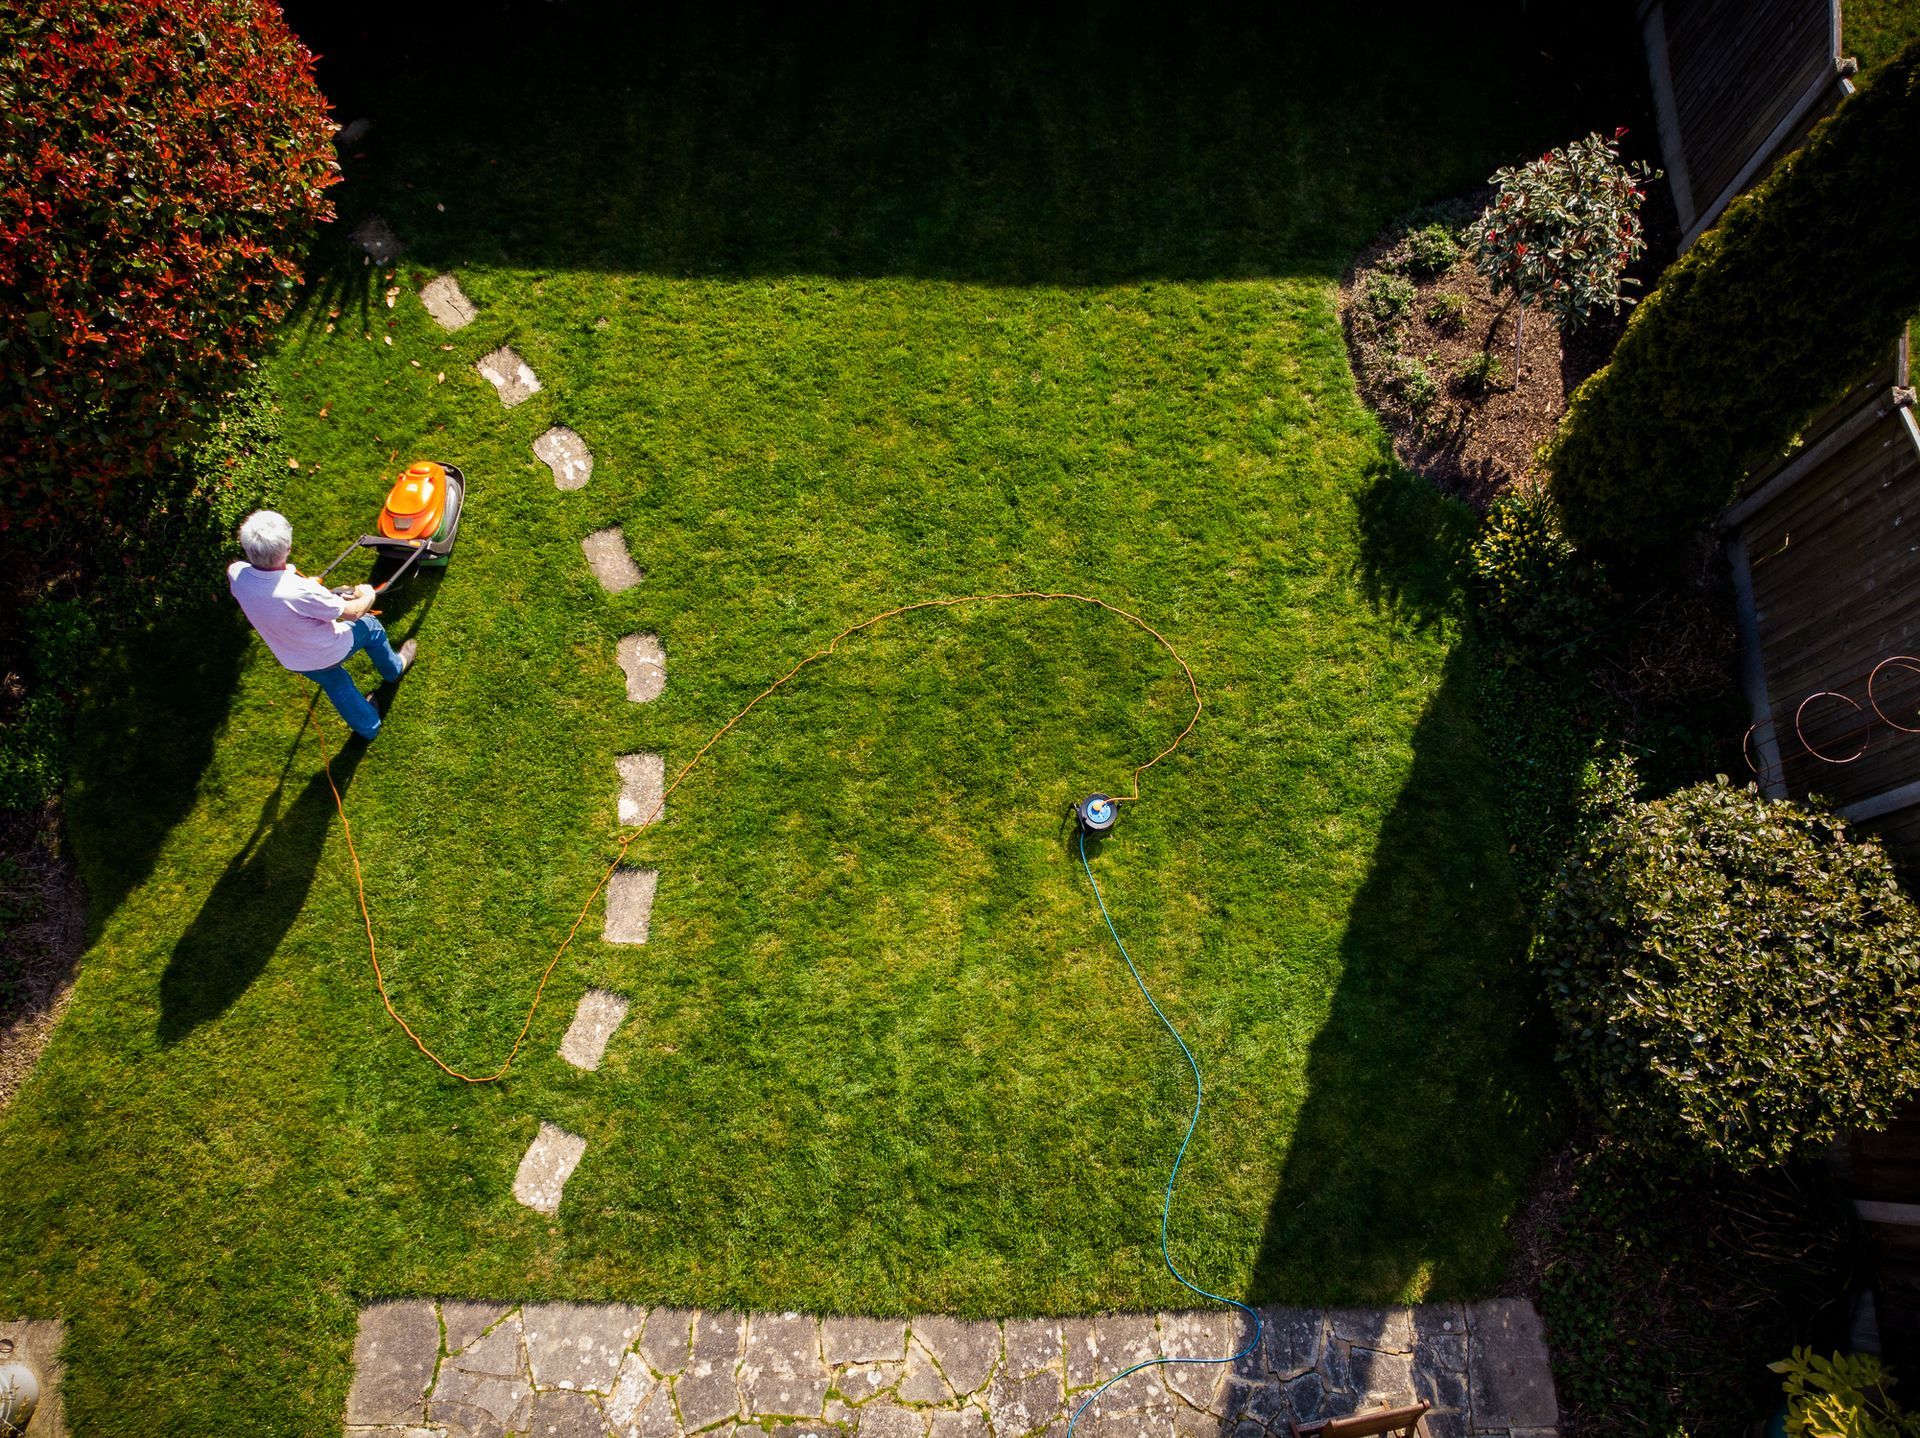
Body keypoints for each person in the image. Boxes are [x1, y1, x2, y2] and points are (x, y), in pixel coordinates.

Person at [228, 509, 418, 740]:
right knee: (371, 627)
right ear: (287, 548)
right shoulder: (300, 592)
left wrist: (306, 588)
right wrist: (366, 594)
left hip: (294, 659)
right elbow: (353, 613)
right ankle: (394, 669)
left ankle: (369, 728)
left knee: (337, 684)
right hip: (328, 650)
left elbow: (275, 595)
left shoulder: (236, 573)